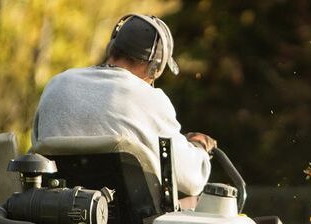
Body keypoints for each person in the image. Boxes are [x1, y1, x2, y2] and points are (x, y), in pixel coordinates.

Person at [32, 13, 215, 197]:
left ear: (111, 47)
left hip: (53, 216)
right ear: (155, 68)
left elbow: (38, 147)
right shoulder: (150, 99)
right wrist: (199, 148)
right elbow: (192, 180)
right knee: (193, 201)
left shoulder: (57, 84)